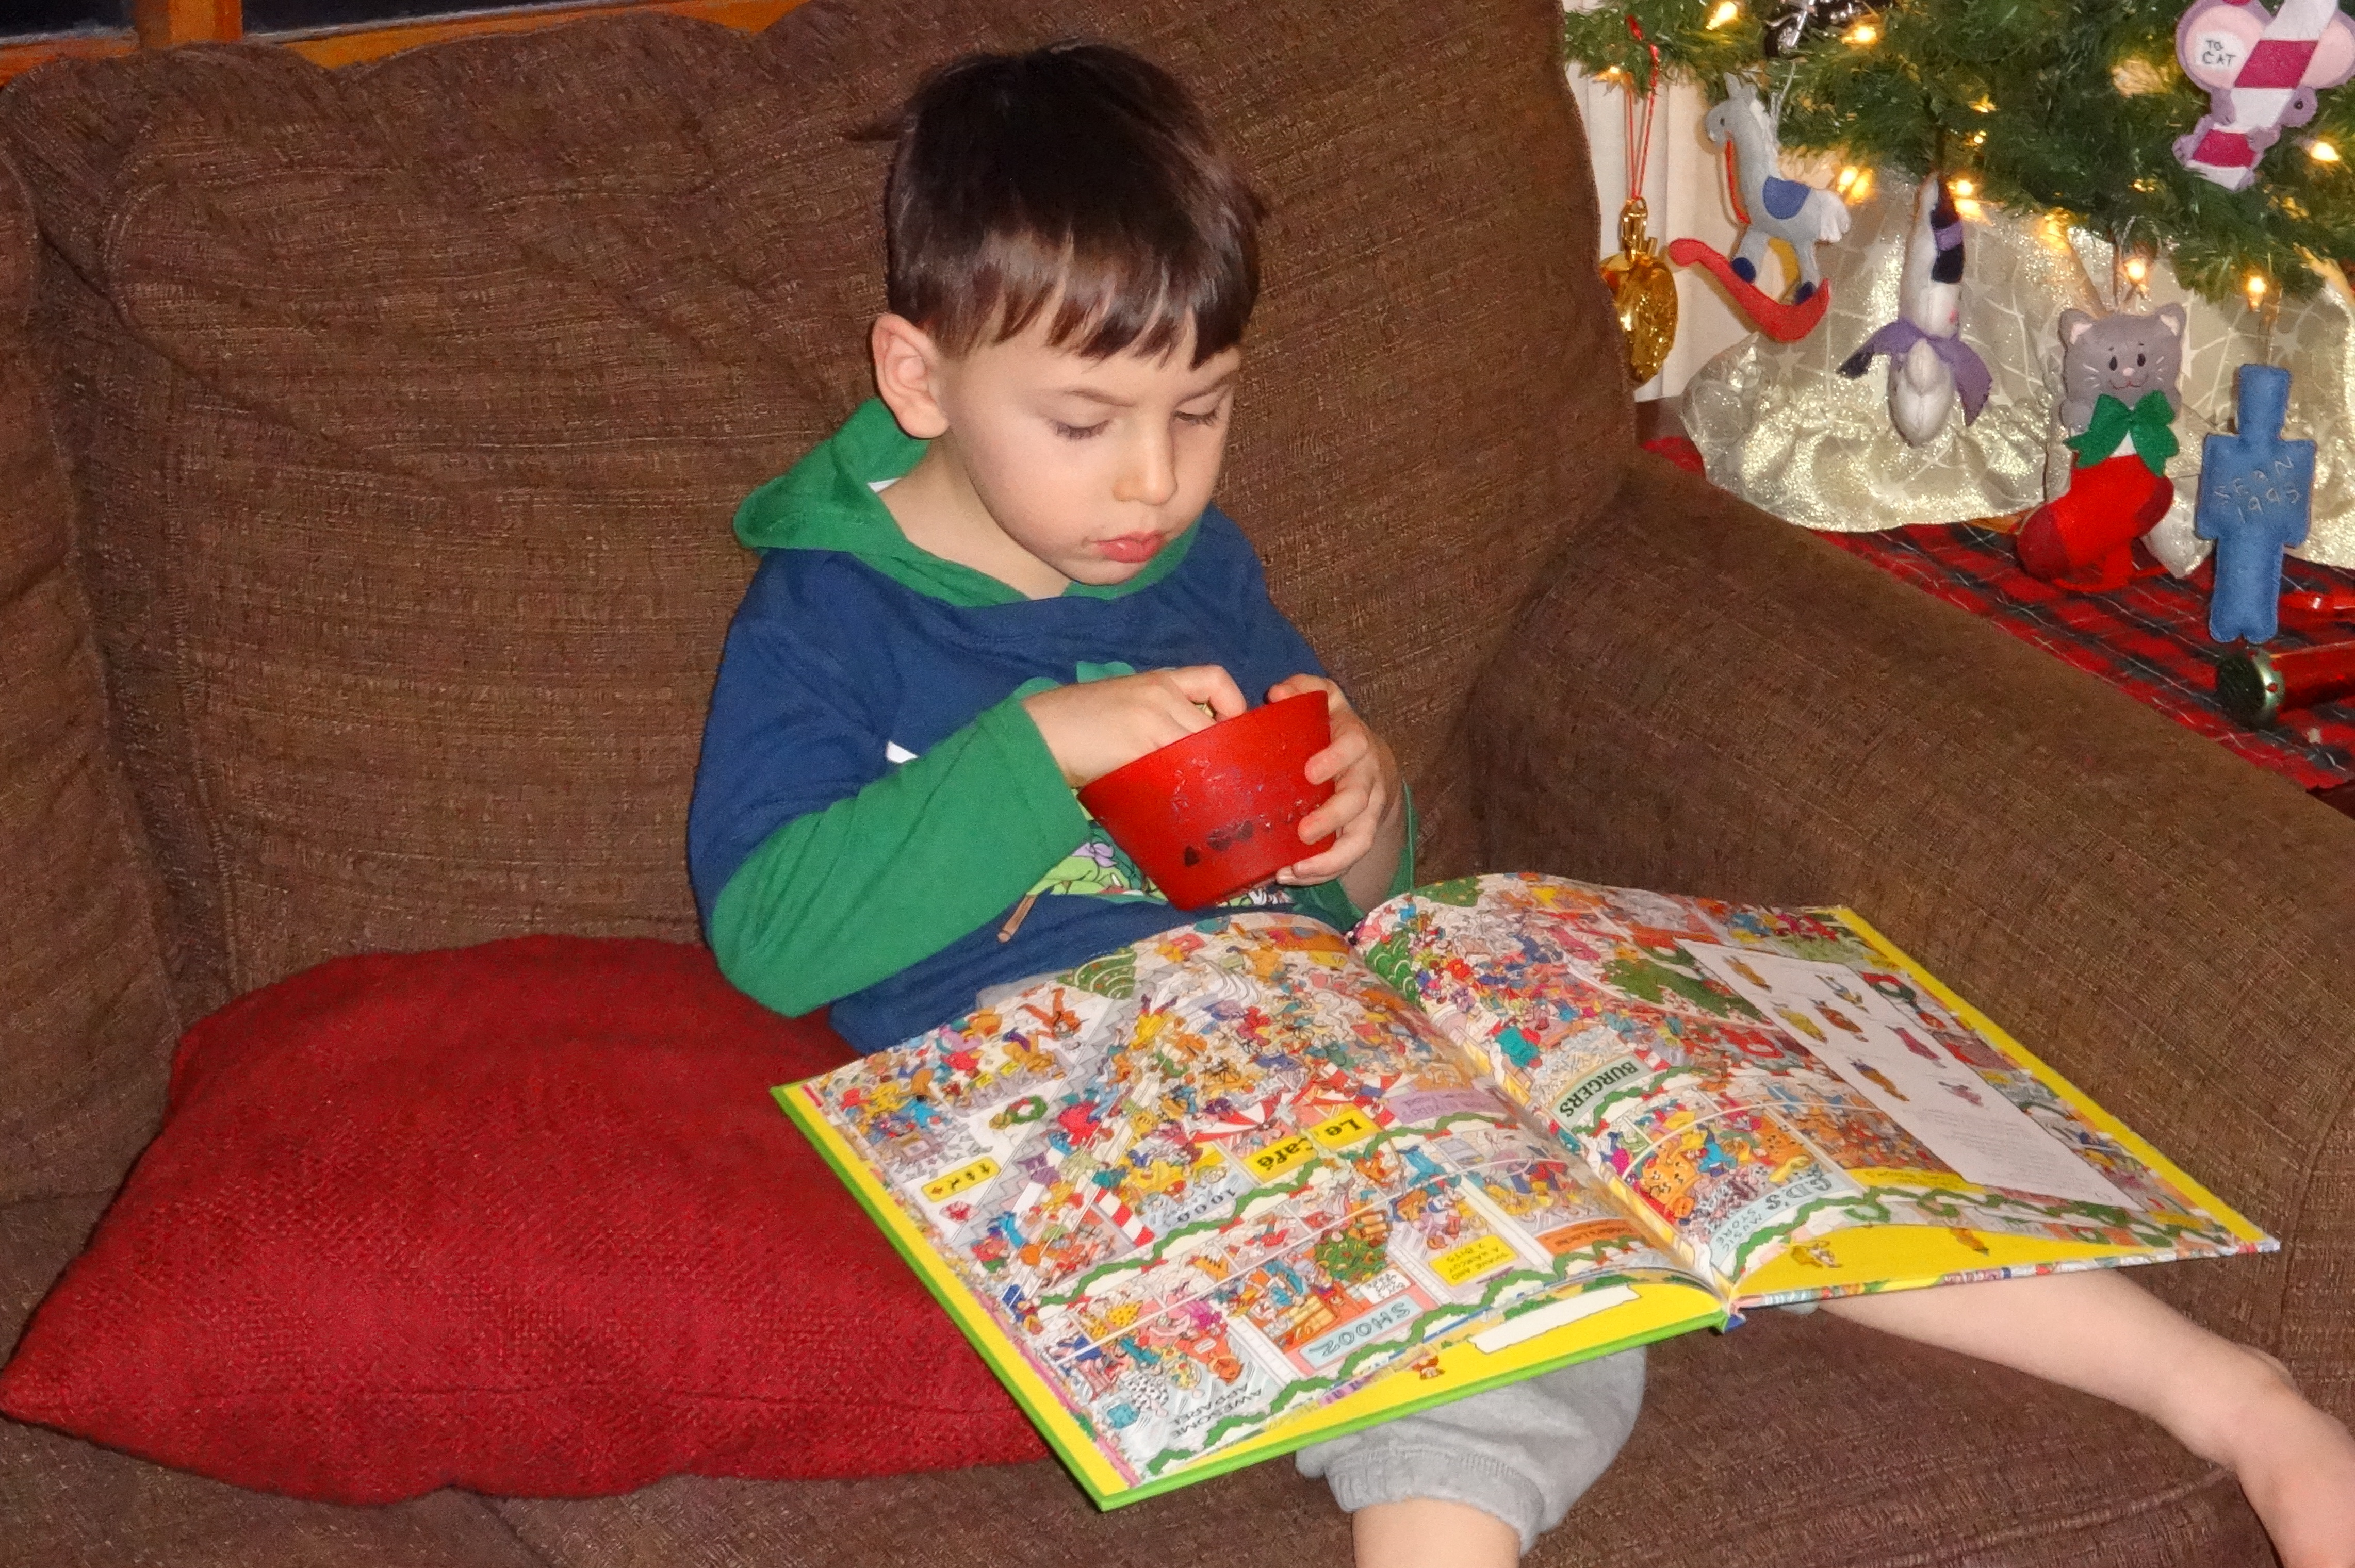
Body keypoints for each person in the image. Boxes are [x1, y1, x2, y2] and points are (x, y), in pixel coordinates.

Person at [686, 41, 2355, 1568]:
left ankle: (2231, 1395)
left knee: (1712, 1086)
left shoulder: (1194, 563)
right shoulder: (831, 614)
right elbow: (769, 933)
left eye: (1202, 411)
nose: (1154, 480)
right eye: (1084, 421)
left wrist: (1365, 816)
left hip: (1333, 1011)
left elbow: (1331, 876)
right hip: (1095, 1091)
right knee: (1509, 1312)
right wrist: (1036, 750)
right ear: (920, 379)